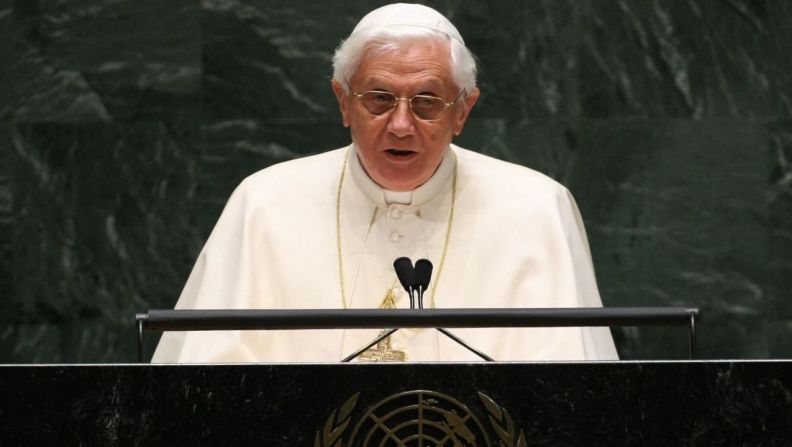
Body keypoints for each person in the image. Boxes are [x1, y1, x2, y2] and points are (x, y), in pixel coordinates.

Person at [152, 3, 618, 363]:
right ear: (342, 101)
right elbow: (201, 395)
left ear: (463, 110)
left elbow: (578, 400)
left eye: (427, 102)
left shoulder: (539, 209)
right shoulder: (262, 205)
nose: (400, 125)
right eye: (378, 98)